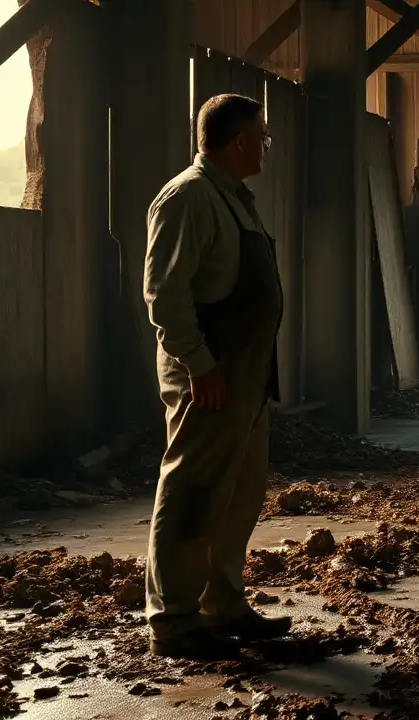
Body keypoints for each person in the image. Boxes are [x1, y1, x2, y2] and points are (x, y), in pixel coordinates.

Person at [142, 93, 287, 659]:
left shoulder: (234, 198)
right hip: (209, 376)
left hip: (246, 378)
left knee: (237, 494)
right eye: (263, 137)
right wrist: (200, 366)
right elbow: (165, 296)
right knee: (193, 492)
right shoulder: (188, 198)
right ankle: (174, 619)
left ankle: (222, 603)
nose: (266, 147)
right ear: (240, 141)